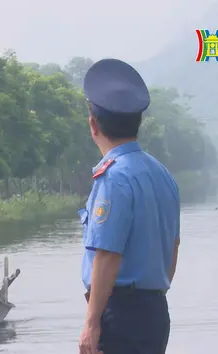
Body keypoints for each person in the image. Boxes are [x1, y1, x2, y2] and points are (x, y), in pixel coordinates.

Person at [77, 58, 181, 354]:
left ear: (93, 124)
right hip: (155, 311)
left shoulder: (113, 177)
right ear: (139, 122)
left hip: (120, 314)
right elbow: (173, 247)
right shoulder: (163, 175)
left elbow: (108, 254)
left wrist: (92, 322)